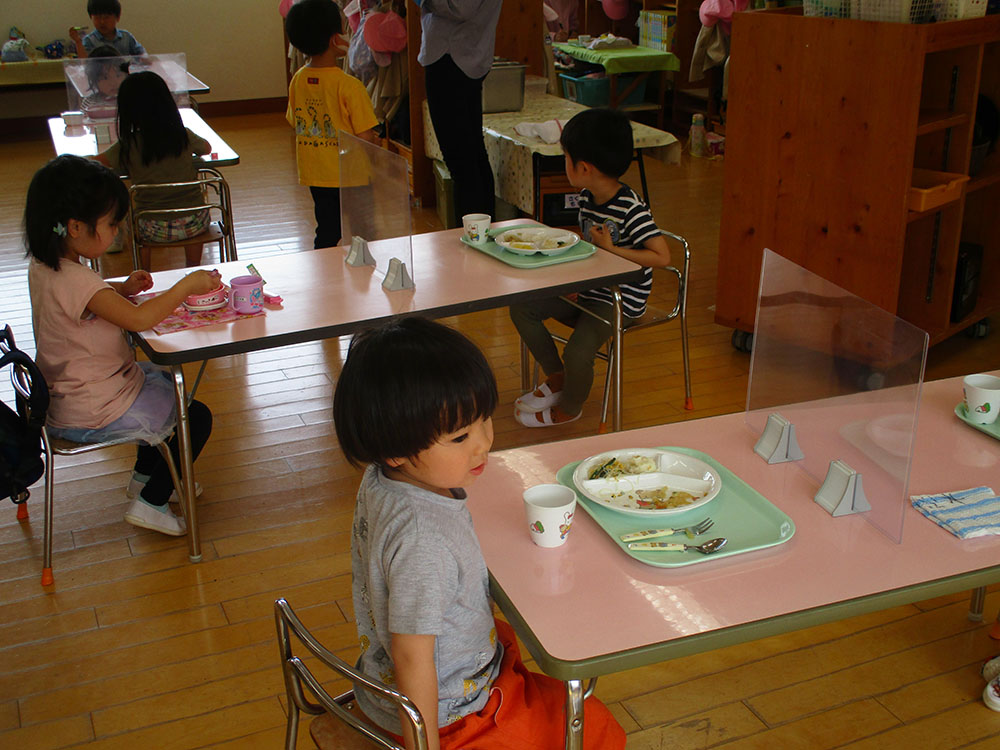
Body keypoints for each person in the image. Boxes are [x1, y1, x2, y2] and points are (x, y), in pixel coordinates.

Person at [332, 317, 625, 750]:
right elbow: (412, 658)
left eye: (484, 420)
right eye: (460, 436)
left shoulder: (384, 475)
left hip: (404, 678)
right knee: (596, 726)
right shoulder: (422, 544)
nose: (484, 442)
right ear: (396, 449)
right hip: (450, 715)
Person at [24, 155, 219, 535]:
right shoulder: (80, 281)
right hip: (93, 407)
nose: (117, 231)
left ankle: (146, 477)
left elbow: (82, 299)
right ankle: (152, 501)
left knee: (155, 382)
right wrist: (186, 286)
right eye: (112, 224)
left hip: (68, 394)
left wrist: (119, 289)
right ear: (76, 227)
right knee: (194, 415)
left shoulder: (46, 267)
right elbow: (140, 320)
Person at [509, 108, 672, 427]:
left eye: (566, 158)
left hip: (619, 302)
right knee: (522, 307)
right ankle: (559, 376)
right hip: (590, 291)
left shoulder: (630, 208)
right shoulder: (587, 197)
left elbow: (662, 256)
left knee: (577, 351)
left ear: (582, 167)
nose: (564, 164)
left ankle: (570, 406)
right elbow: (590, 247)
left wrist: (612, 249)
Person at [285, 0, 379, 249]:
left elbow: (295, 120)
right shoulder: (349, 86)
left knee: (326, 229)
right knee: (364, 230)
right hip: (353, 175)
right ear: (335, 39)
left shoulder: (297, 80)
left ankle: (326, 276)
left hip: (316, 174)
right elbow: (366, 136)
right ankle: (364, 274)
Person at [94, 71, 211, 269]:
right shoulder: (182, 135)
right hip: (194, 222)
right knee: (194, 207)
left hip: (150, 227)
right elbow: (206, 148)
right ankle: (193, 265)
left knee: (133, 218)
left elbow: (98, 162)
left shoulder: (128, 144)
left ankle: (144, 271)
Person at [417, 0, 501, 225]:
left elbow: (461, 7)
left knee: (462, 162)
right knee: (471, 155)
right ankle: (481, 238)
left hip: (453, 56)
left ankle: (472, 242)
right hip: (462, 54)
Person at [69, 0, 145, 60]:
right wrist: (78, 42)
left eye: (106, 17)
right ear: (91, 17)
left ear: (118, 17)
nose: (102, 22)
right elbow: (85, 64)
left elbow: (142, 54)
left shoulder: (126, 37)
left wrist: (143, 59)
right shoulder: (89, 40)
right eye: (97, 17)